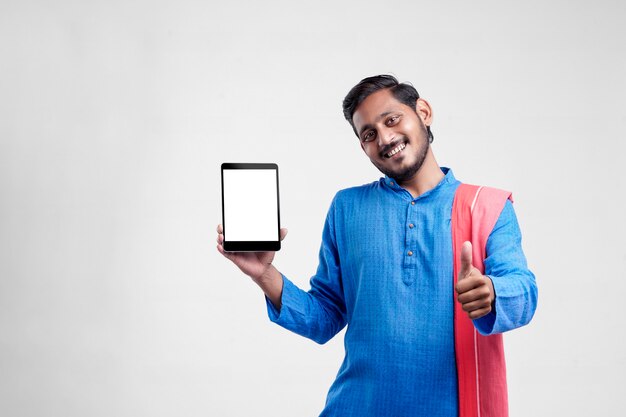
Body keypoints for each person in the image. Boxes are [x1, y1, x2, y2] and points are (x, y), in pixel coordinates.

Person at [216, 74, 538, 417]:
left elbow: (525, 292)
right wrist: (264, 274)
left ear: (424, 112)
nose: (385, 138)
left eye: (392, 119)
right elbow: (324, 317)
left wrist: (491, 292)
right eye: (369, 133)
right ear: (362, 145)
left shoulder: (487, 206)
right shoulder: (347, 207)